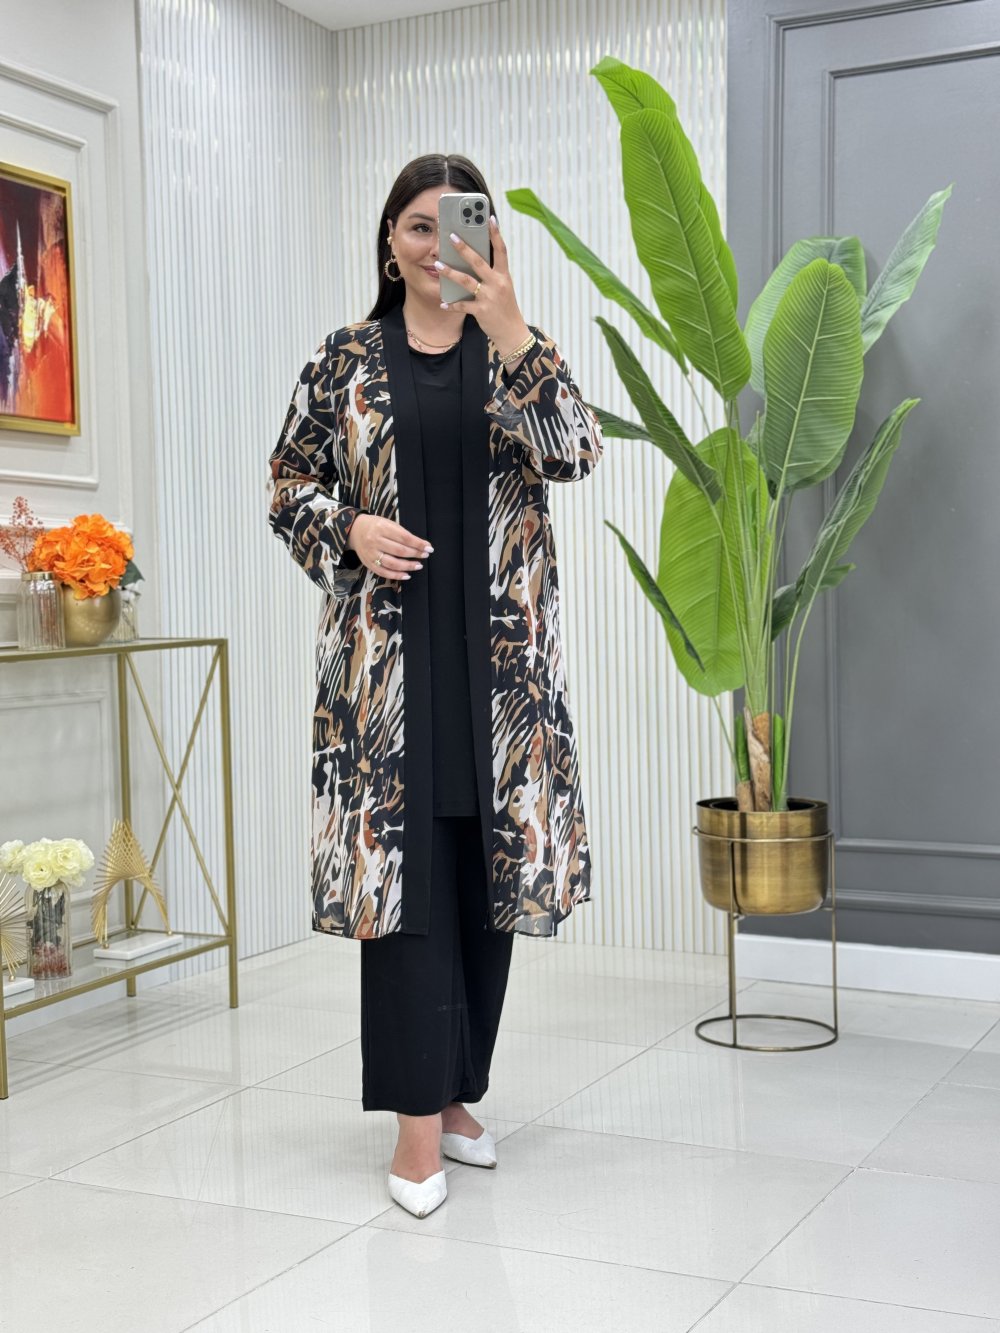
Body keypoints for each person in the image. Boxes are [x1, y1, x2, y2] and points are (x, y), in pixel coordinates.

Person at [267, 153, 603, 1219]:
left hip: (500, 681)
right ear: (389, 241)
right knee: (403, 902)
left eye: (457, 226)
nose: (435, 244)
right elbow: (286, 484)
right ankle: (417, 1128)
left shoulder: (517, 354)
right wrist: (348, 528)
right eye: (417, 225)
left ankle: (458, 1094)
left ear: (488, 241)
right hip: (385, 679)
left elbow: (578, 451)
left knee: (482, 891)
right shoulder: (343, 360)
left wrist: (512, 328)